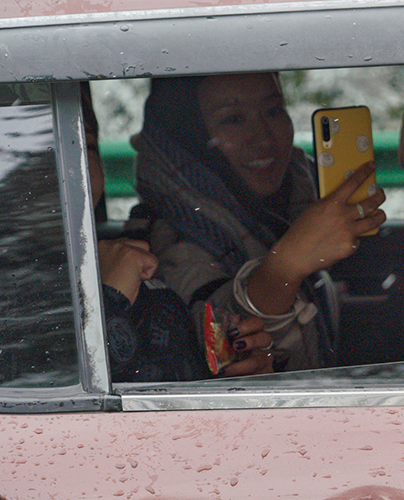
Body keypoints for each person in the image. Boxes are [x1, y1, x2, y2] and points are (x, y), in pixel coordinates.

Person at [131, 72, 386, 371]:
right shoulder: (168, 246)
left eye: (273, 110)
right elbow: (222, 338)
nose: (264, 138)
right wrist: (286, 266)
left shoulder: (295, 204)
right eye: (233, 119)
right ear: (188, 136)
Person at [83, 83, 273, 380]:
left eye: (85, 148)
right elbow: (66, 397)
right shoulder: (23, 299)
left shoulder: (145, 282)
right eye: (233, 118)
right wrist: (110, 298)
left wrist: (234, 373)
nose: (65, 168)